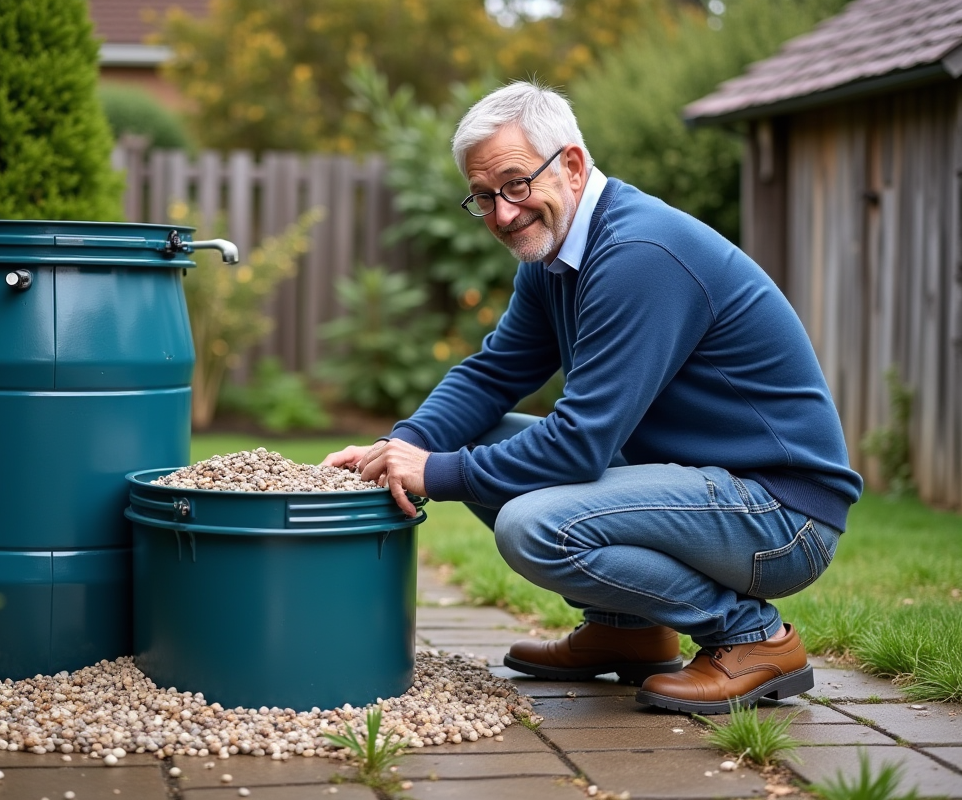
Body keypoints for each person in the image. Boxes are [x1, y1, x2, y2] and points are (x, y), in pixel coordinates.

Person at [322, 81, 863, 715]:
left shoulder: (638, 254)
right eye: (483, 196)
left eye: (516, 185)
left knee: (533, 525)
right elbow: (494, 373)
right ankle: (627, 629)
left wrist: (437, 472)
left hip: (780, 515)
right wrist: (405, 443)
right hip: (705, 487)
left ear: (572, 166)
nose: (501, 214)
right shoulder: (555, 260)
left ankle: (750, 636)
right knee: (484, 441)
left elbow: (580, 443)